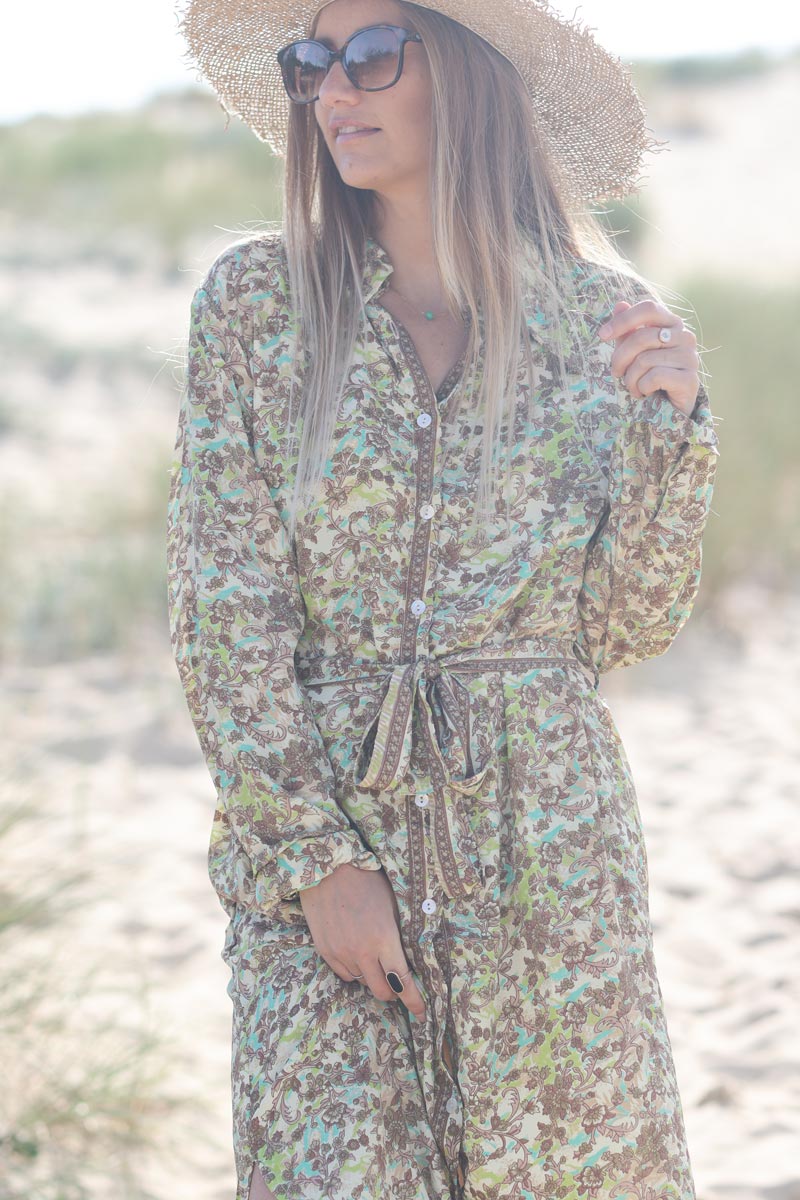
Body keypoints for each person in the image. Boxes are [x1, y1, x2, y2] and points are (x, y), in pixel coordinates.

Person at [168, 0, 721, 1197]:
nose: (330, 90)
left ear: (470, 79)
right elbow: (223, 617)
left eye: (368, 56)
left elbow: (620, 629)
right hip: (324, 829)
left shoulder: (594, 321)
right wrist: (320, 861)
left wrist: (668, 436)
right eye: (309, 63)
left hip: (545, 842)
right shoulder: (257, 310)